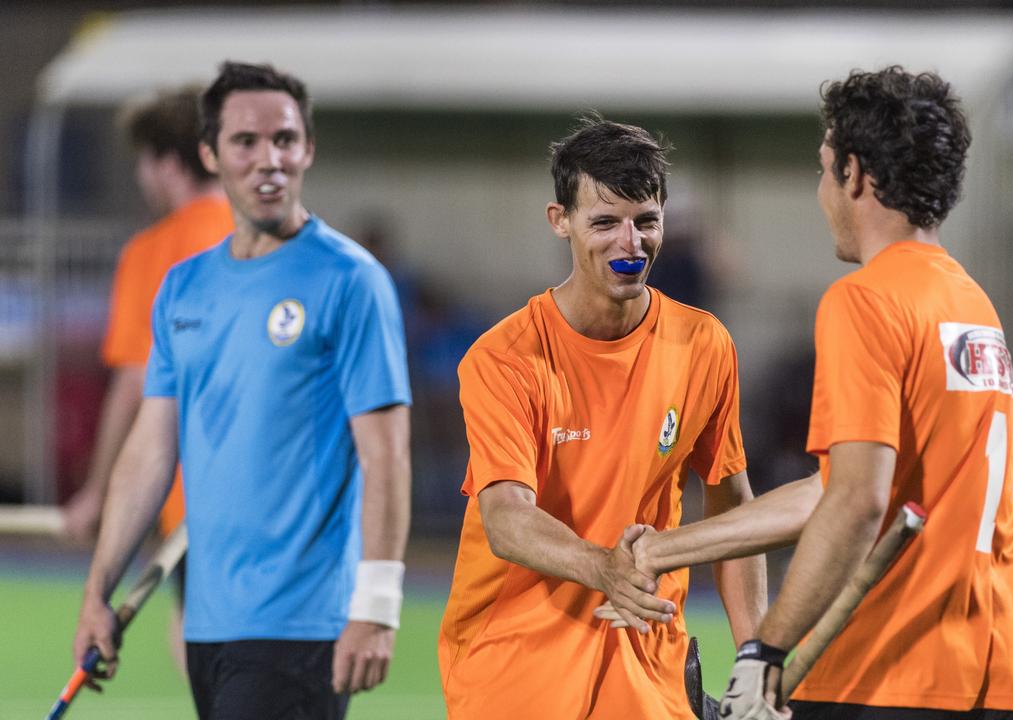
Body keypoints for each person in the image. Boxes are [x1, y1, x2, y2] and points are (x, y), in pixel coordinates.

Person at [601, 67, 1013, 720]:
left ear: (857, 175)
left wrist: (765, 651)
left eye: (822, 169)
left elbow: (857, 501)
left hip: (892, 671)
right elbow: (843, 487)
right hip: (1003, 667)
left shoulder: (865, 300)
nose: (820, 192)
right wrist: (664, 549)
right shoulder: (969, 302)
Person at [71, 61, 412, 720]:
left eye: (284, 140)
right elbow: (149, 451)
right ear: (211, 153)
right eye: (245, 142)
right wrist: (96, 592)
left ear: (308, 149)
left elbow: (386, 454)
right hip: (208, 622)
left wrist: (376, 606)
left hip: (303, 622)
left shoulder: (350, 281)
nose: (269, 159)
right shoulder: (184, 287)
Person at [438, 116, 766, 719]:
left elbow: (733, 508)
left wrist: (756, 657)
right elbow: (507, 517)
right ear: (559, 221)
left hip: (646, 661)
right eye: (605, 223)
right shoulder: (505, 358)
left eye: (646, 221)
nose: (630, 244)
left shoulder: (704, 344)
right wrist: (604, 569)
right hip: (515, 668)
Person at [62, 87, 232, 546]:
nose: (140, 176)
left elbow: (135, 381)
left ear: (170, 165)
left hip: (194, 498)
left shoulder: (152, 253)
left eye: (143, 161)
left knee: (190, 619)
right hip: (280, 495)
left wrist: (99, 493)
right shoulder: (266, 238)